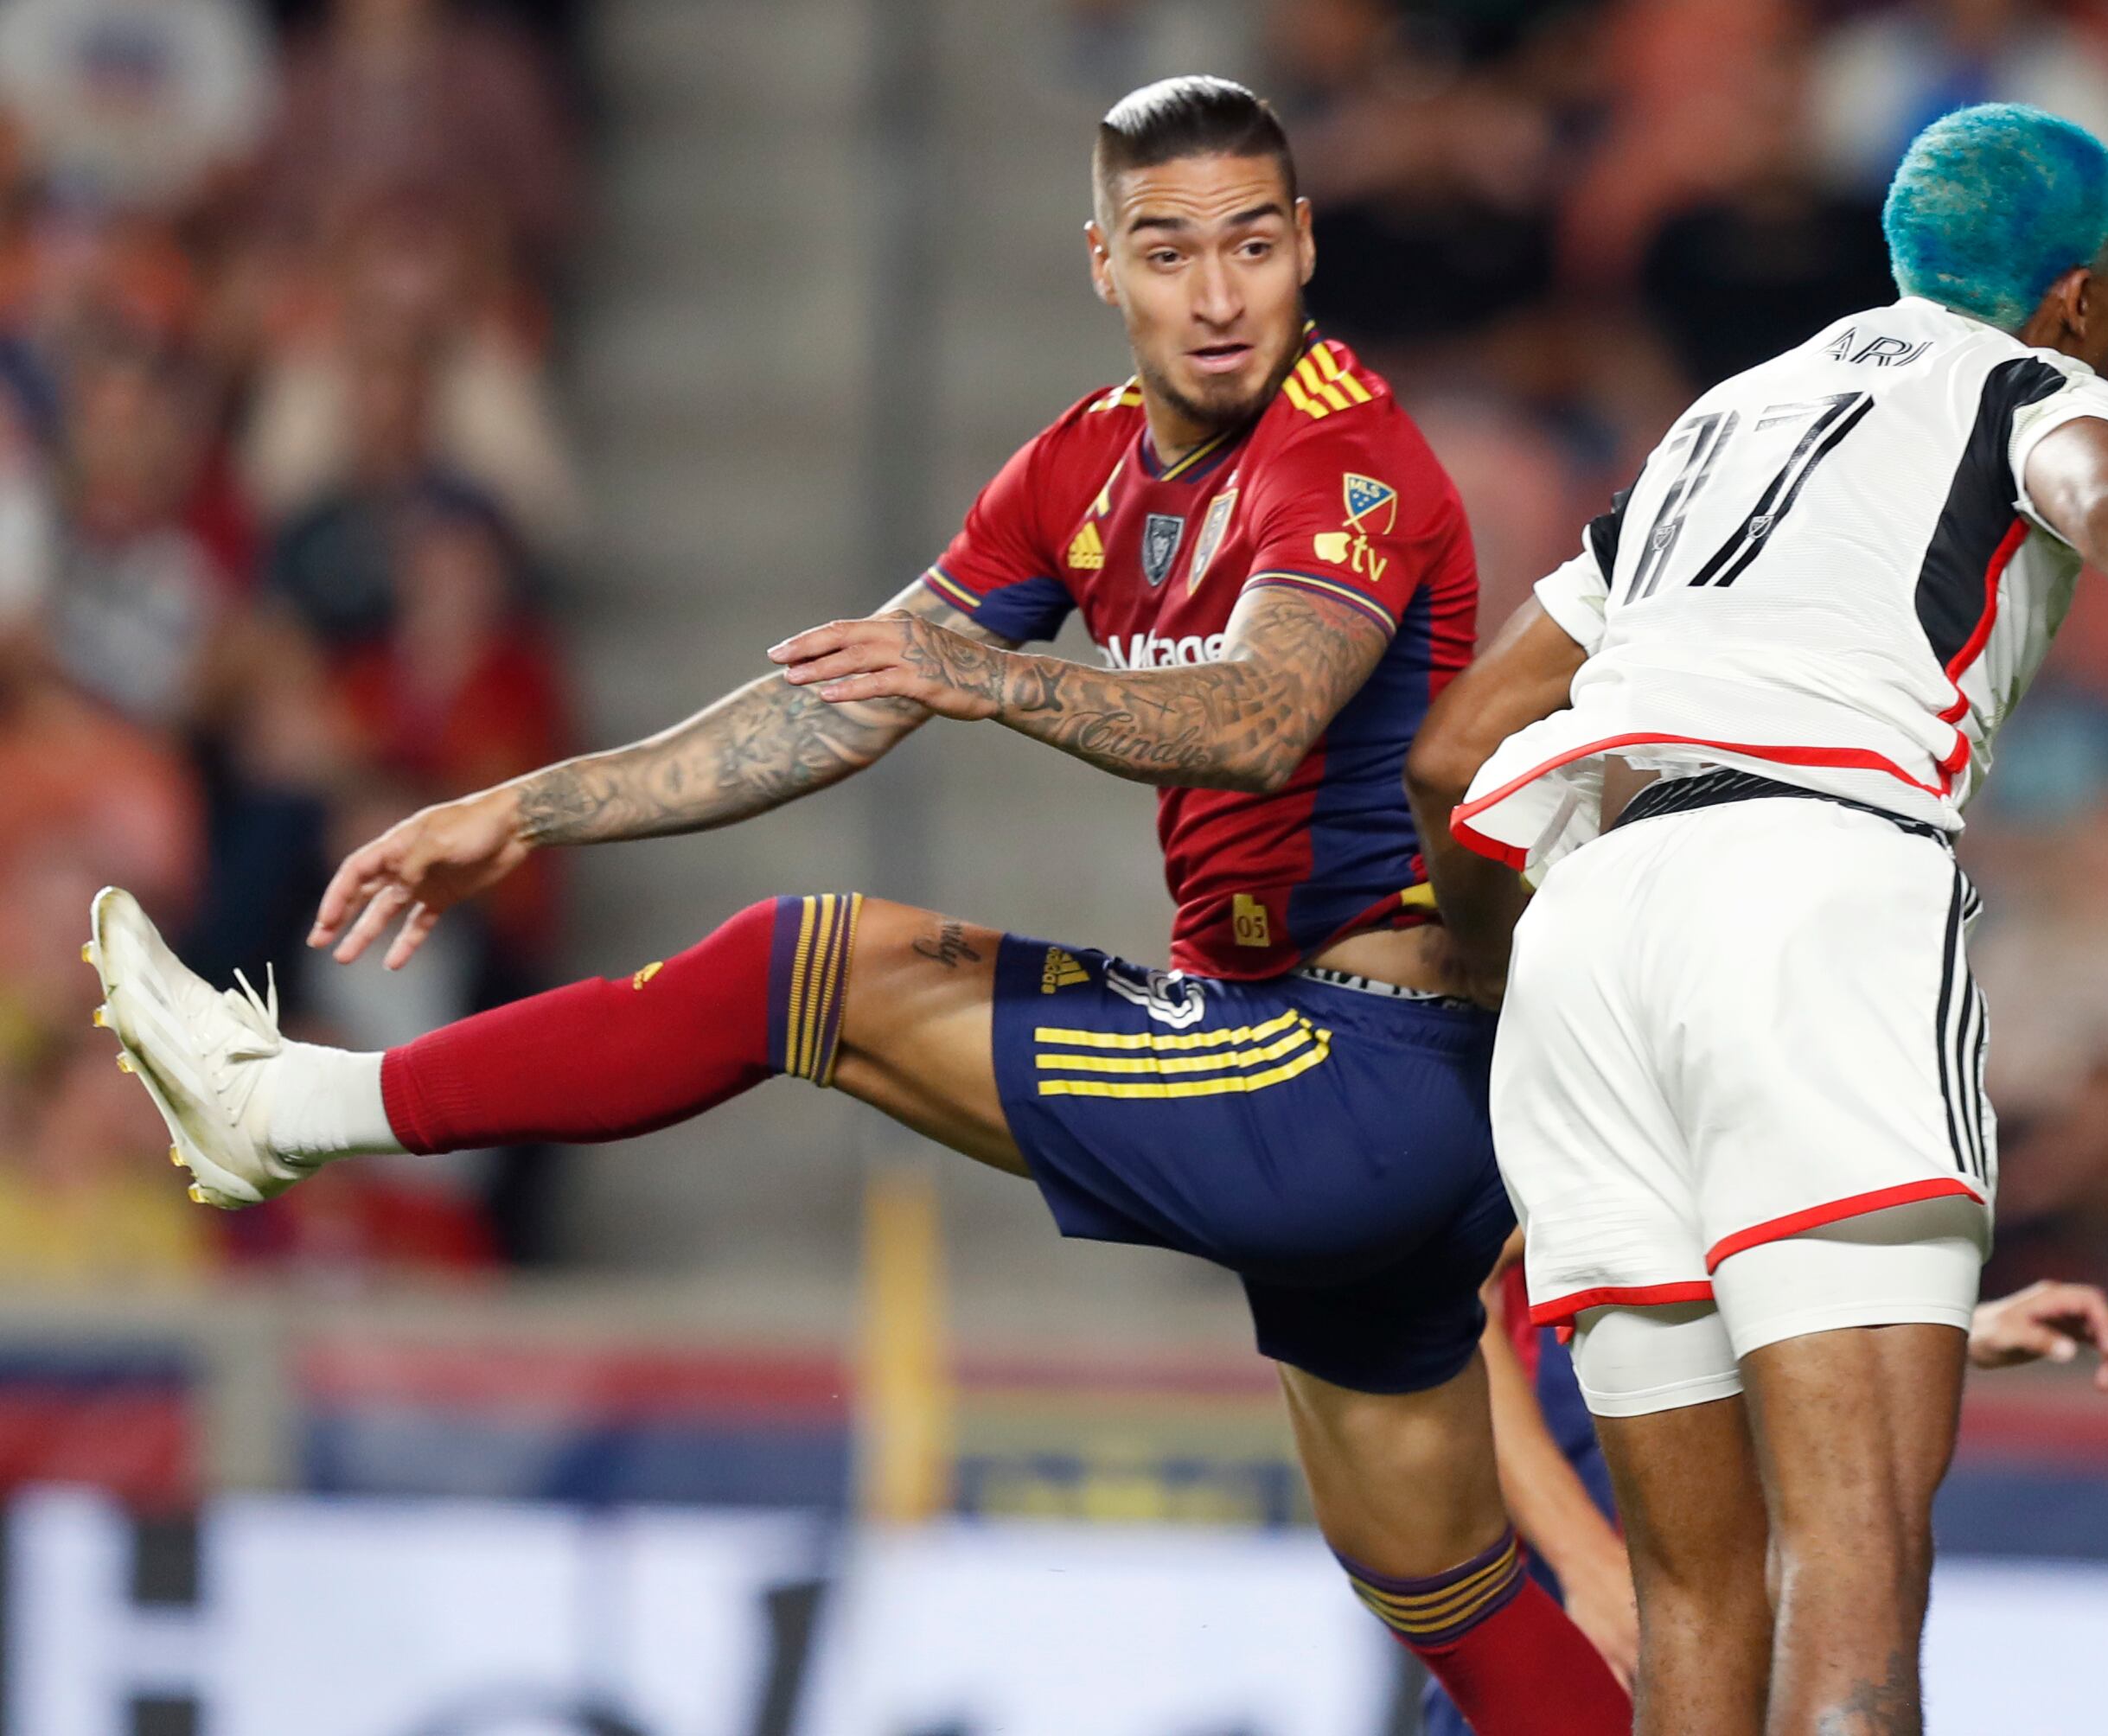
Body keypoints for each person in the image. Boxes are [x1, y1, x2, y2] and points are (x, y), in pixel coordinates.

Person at [85, 76, 1624, 1736]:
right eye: (1170, 251)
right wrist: (523, 810)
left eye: (1254, 244)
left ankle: (287, 1105)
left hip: (1362, 1071)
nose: (1219, 293)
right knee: (1445, 1590)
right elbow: (835, 698)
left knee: (805, 967)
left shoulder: (1348, 459)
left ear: (1306, 243)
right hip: (1322, 1092)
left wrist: (990, 680)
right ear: (1101, 262)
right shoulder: (1079, 470)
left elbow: (1257, 720)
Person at [1407, 103, 2108, 1734]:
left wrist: (1481, 970)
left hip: (1595, 936)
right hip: (1815, 892)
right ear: (2082, 298)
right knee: (1852, 1566)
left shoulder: (1710, 430)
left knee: (1692, 1603)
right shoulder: (2028, 386)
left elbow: (1455, 751)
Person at [1420, 1256, 2108, 1732]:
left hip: (1737, 1607)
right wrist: (1589, 1567)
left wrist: (1956, 1328)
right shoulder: (1571, 1046)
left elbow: (1749, 1273)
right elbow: (1452, 1304)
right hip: (1578, 1598)